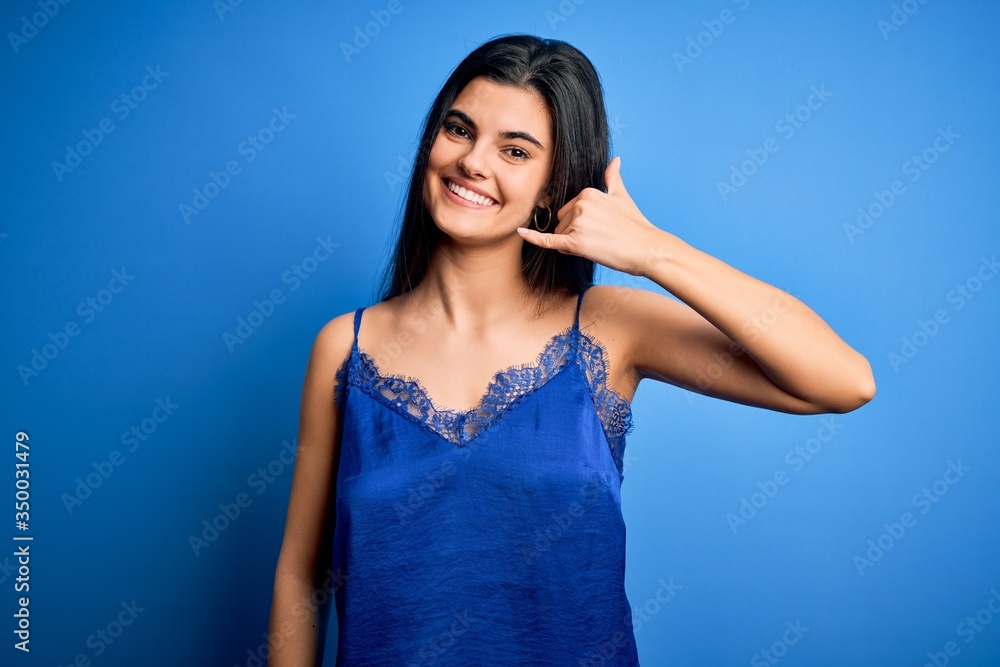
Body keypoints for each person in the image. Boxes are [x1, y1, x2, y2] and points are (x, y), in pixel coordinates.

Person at [267, 34, 875, 666]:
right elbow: (300, 577)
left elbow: (842, 381)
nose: (474, 161)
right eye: (458, 129)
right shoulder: (346, 348)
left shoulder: (609, 330)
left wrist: (653, 252)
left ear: (553, 188)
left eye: (514, 150)